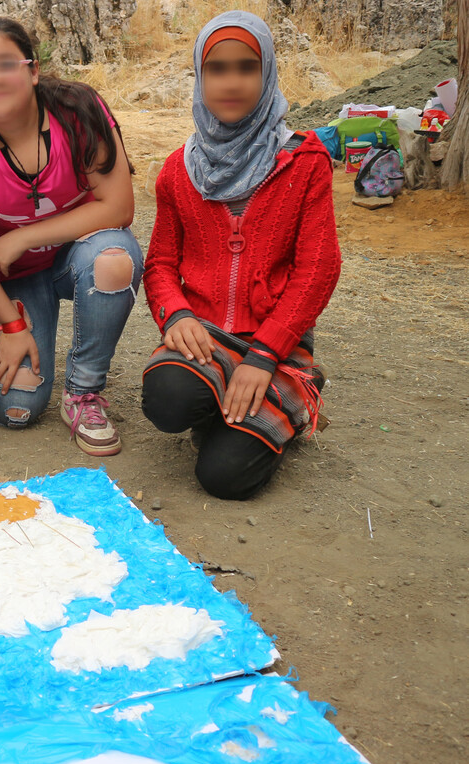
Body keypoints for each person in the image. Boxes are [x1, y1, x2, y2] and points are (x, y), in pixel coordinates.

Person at [141, 11, 341, 500]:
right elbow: (160, 264)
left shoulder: (306, 160)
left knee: (224, 479)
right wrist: (176, 314)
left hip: (278, 344)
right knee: (168, 399)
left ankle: (295, 393)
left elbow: (318, 270)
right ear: (200, 76)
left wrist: (266, 355)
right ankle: (229, 404)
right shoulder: (178, 170)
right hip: (209, 336)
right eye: (217, 68)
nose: (232, 82)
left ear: (267, 73)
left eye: (247, 67)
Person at [0, 16, 143, 456]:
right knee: (18, 410)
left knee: (114, 257)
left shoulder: (78, 110)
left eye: (6, 64)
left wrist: (25, 236)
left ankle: (84, 392)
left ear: (32, 70)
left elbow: (119, 208)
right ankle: (6, 325)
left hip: (76, 256)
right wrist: (11, 325)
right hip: (14, 277)